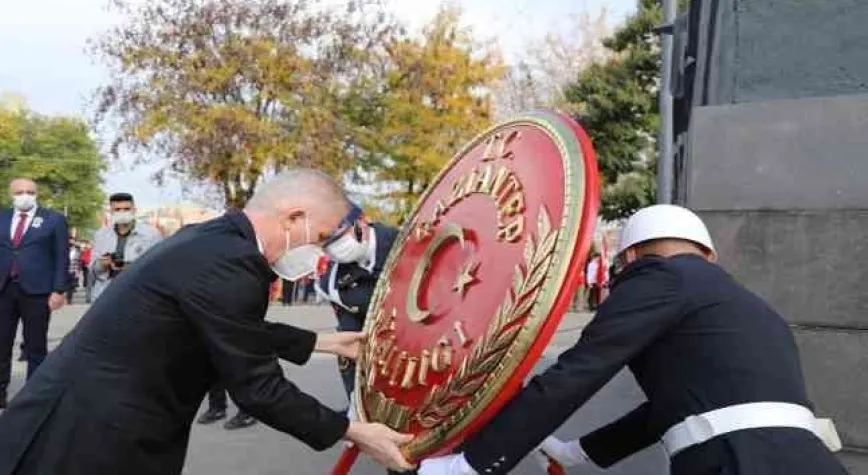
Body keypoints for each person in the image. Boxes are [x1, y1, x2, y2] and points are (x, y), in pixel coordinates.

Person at [0, 170, 414, 474]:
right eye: (321, 236)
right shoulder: (232, 266)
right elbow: (259, 389)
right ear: (293, 218)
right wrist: (356, 431)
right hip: (90, 441)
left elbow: (218, 326)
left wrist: (325, 342)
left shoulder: (215, 240)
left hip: (77, 417)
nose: (319, 253)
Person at [418, 204, 848, 475]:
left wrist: (473, 462)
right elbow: (683, 403)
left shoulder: (661, 275)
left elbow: (581, 368)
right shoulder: (749, 306)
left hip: (738, 462)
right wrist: (577, 452)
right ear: (708, 252)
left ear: (630, 257)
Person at [313, 204, 399, 399]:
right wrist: (356, 403)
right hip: (386, 356)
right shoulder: (334, 283)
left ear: (362, 222)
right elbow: (350, 344)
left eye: (340, 236)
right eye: (327, 244)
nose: (336, 248)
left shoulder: (405, 243)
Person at [0, 178, 68, 409]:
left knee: (35, 346)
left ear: (37, 194)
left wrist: (59, 289)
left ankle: (33, 397)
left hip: (37, 291)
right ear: (11, 195)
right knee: (2, 344)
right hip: (4, 290)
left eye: (30, 191)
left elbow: (61, 256)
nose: (25, 196)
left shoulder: (54, 220)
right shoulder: (2, 218)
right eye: (19, 192)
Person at [90, 192, 163, 301]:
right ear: (111, 212)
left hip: (138, 294)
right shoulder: (101, 235)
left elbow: (158, 266)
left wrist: (132, 267)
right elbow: (93, 269)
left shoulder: (151, 234)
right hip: (105, 293)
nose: (122, 213)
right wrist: (101, 264)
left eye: (126, 209)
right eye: (117, 209)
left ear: (134, 210)